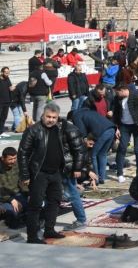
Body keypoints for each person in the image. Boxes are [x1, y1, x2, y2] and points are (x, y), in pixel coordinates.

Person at [18, 102, 87, 243]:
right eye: (48, 116)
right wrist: (25, 175)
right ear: (43, 115)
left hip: (56, 173)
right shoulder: (33, 130)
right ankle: (32, 236)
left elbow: (74, 148)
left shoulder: (59, 129)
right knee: (35, 205)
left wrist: (76, 167)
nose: (51, 120)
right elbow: (23, 153)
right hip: (39, 174)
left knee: (55, 202)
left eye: (54, 117)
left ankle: (49, 230)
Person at [113, 84, 138, 183]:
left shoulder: (137, 96)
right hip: (124, 126)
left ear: (123, 90)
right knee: (122, 147)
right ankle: (120, 173)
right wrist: (116, 128)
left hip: (137, 126)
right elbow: (116, 113)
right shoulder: (118, 99)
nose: (117, 94)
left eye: (118, 92)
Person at [72, 107, 116, 184]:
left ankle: (95, 179)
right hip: (111, 129)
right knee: (103, 154)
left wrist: (85, 141)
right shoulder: (89, 111)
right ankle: (102, 178)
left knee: (93, 155)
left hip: (102, 132)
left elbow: (82, 131)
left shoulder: (76, 116)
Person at [0, 147, 26, 228]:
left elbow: (22, 181)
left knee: (34, 204)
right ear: (2, 158)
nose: (13, 161)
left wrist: (28, 194)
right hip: (3, 198)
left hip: (16, 193)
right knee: (12, 211)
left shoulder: (16, 164)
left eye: (15, 158)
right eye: (10, 159)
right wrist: (11, 199)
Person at [0, 66, 13, 133]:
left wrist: (12, 88)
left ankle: (1, 131)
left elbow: (10, 87)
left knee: (4, 117)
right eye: (6, 72)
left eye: (8, 72)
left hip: (7, 101)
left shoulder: (7, 78)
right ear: (2, 72)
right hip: (0, 102)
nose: (7, 74)